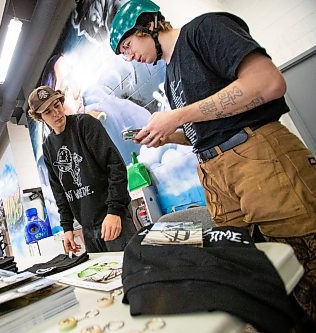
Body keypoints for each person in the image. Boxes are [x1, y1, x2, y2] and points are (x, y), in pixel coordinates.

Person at [109, 0, 316, 325]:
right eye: (123, 53)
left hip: (260, 159)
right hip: (218, 178)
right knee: (252, 276)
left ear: (147, 24)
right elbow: (203, 133)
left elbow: (268, 82)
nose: (129, 56)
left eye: (128, 45)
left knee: (305, 264)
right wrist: (167, 135)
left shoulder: (204, 30)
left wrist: (178, 115)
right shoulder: (172, 73)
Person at [28, 86, 137, 254]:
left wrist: (115, 211)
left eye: (57, 105)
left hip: (113, 219)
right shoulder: (48, 147)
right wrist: (67, 228)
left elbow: (116, 166)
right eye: (48, 112)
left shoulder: (84, 124)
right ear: (40, 118)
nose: (56, 113)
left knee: (132, 273)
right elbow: (59, 192)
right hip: (88, 229)